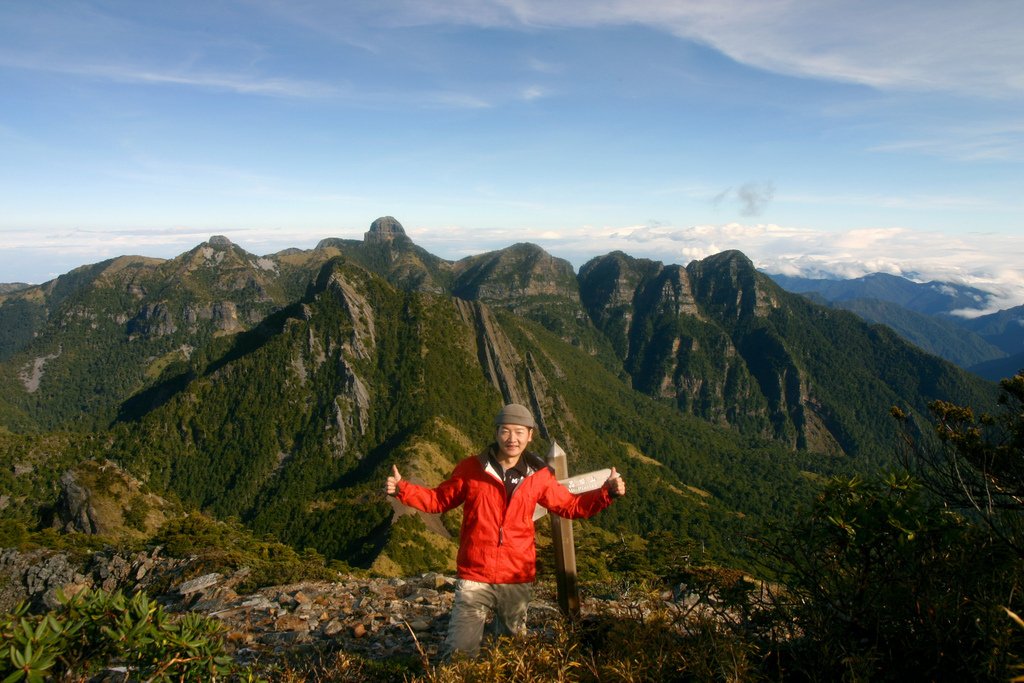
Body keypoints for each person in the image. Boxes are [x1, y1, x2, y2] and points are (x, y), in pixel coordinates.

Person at [386, 403, 626, 658]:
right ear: (496, 432)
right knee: (460, 650)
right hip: (475, 574)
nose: (512, 439)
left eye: (519, 432)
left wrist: (606, 493)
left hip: (516, 575)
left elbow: (569, 506)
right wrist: (403, 489)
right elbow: (438, 501)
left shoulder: (539, 476)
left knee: (510, 651)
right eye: (506, 431)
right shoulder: (471, 469)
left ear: (530, 435)